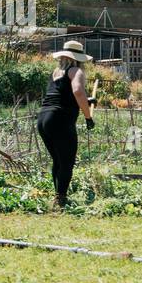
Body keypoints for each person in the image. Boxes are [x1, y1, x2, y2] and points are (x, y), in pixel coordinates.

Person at [37, 40, 95, 208]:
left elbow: (63, 95)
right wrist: (88, 117)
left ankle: (57, 196)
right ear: (79, 59)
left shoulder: (56, 72)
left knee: (58, 160)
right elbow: (77, 91)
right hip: (60, 119)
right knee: (67, 162)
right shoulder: (76, 71)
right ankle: (61, 200)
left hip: (44, 119)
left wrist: (88, 100)